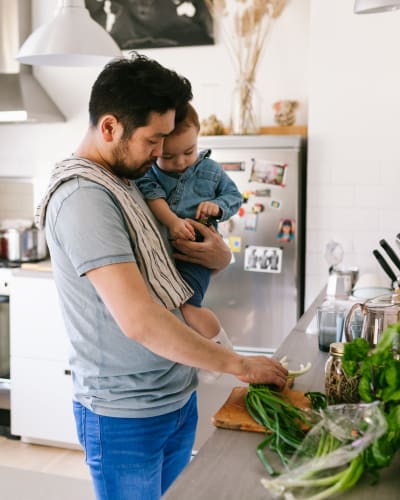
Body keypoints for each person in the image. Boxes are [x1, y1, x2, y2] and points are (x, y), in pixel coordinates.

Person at [36, 53, 288, 500]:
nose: (161, 154)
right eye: (153, 140)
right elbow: (140, 319)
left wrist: (218, 258)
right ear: (110, 127)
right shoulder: (83, 197)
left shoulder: (128, 178)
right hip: (125, 414)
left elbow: (172, 269)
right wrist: (239, 365)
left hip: (174, 394)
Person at [136, 103, 242, 349]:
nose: (181, 162)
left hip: (197, 253)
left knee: (189, 306)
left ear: (198, 137)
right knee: (168, 308)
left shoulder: (211, 170)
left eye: (189, 151)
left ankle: (222, 350)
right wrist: (172, 222)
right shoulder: (150, 173)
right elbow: (153, 197)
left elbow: (234, 197)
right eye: (168, 156)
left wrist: (217, 206)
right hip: (167, 254)